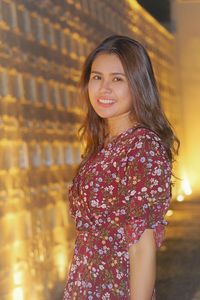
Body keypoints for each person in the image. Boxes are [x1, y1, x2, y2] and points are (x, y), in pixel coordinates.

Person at [63, 35, 179, 300]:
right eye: (96, 77)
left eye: (117, 79)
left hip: (116, 289)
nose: (104, 89)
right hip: (85, 286)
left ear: (138, 85)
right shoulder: (102, 146)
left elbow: (141, 247)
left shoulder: (141, 146)